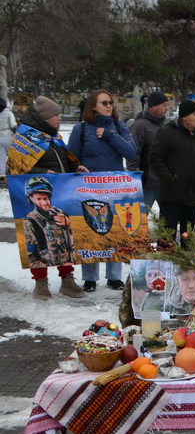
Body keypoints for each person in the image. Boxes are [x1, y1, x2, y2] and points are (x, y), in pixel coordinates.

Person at [7, 97, 89, 299]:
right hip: (38, 193)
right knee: (37, 240)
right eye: (55, 115)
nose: (59, 118)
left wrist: (75, 167)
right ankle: (41, 282)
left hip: (58, 196)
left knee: (63, 237)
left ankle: (67, 280)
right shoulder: (25, 139)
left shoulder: (54, 137)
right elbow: (17, 169)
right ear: (45, 118)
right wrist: (44, 172)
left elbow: (63, 162)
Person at [69, 89, 137, 292]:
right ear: (93, 106)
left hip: (116, 188)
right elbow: (71, 158)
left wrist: (111, 136)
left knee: (114, 230)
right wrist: (77, 167)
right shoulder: (81, 129)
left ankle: (114, 277)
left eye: (110, 103)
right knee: (91, 230)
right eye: (104, 102)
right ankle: (90, 277)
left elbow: (131, 152)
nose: (109, 106)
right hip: (89, 188)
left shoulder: (119, 126)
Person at [148, 99, 195, 247]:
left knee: (189, 241)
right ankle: (165, 270)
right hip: (171, 197)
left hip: (194, 198)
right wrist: (169, 178)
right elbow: (154, 158)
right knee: (167, 241)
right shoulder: (167, 133)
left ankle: (187, 269)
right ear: (184, 116)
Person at [127, 91, 170, 214]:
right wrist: (135, 177)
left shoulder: (165, 125)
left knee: (168, 219)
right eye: (164, 105)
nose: (167, 108)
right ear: (153, 106)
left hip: (164, 183)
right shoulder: (139, 125)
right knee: (140, 217)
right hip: (147, 183)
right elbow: (133, 153)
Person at [0, 97, 16, 184]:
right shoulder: (8, 112)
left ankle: (2, 176)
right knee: (12, 156)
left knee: (1, 158)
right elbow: (13, 124)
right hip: (8, 136)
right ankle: (12, 173)